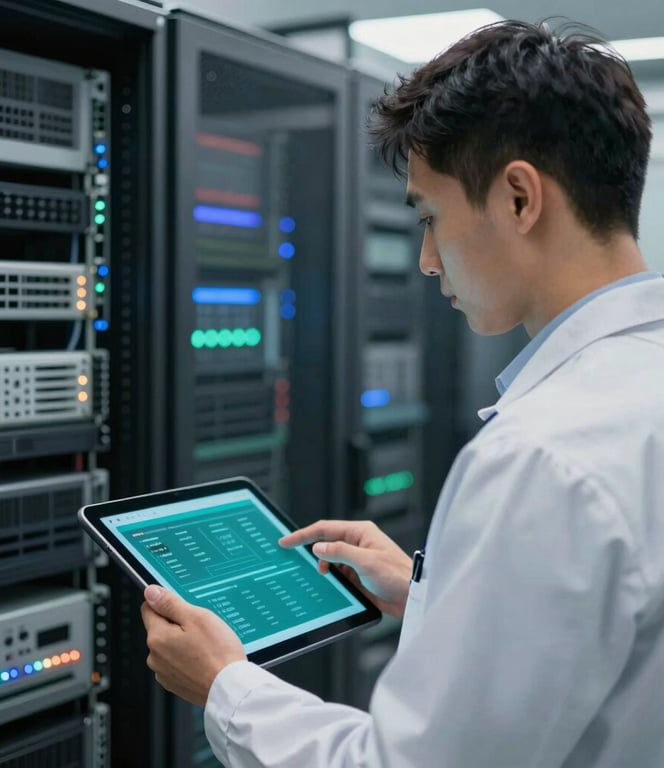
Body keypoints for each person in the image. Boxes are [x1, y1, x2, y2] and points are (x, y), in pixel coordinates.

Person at [141, 19, 664, 767]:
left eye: (430, 217)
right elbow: (602, 639)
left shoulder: (542, 458)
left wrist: (225, 686)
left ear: (520, 198)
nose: (425, 259)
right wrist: (432, 597)